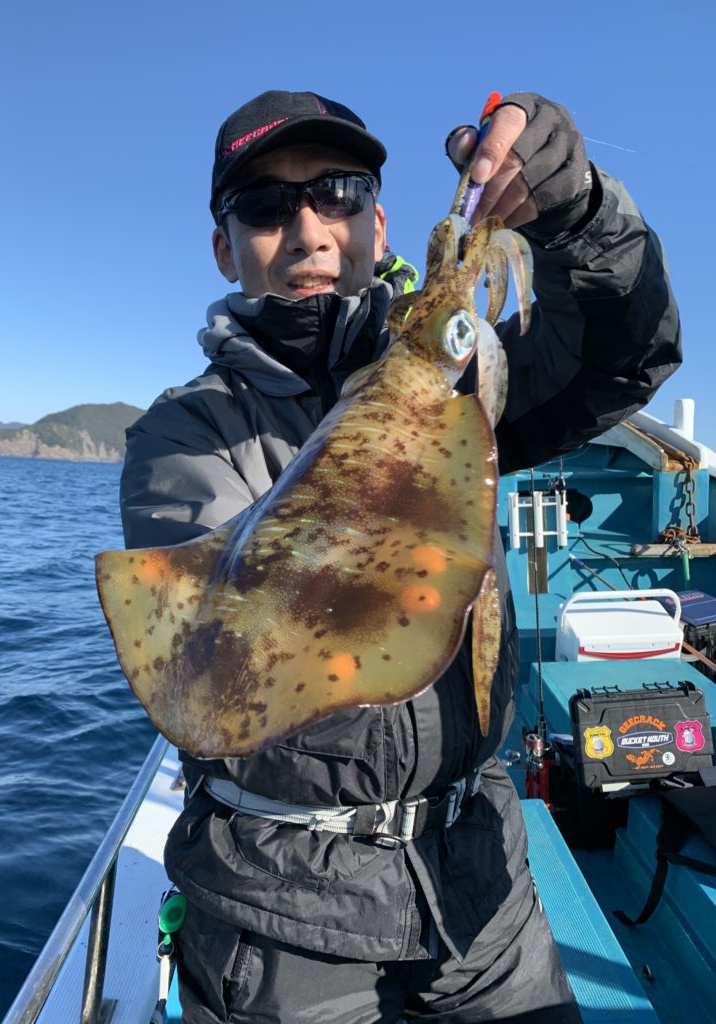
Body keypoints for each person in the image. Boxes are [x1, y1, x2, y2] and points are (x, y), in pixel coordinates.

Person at [120, 90, 681, 1023]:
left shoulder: (456, 374)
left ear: (375, 225)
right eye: (265, 206)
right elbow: (224, 663)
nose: (308, 230)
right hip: (282, 914)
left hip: (481, 886)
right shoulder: (184, 434)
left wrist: (577, 213)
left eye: (337, 194)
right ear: (225, 247)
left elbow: (623, 354)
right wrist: (408, 388)